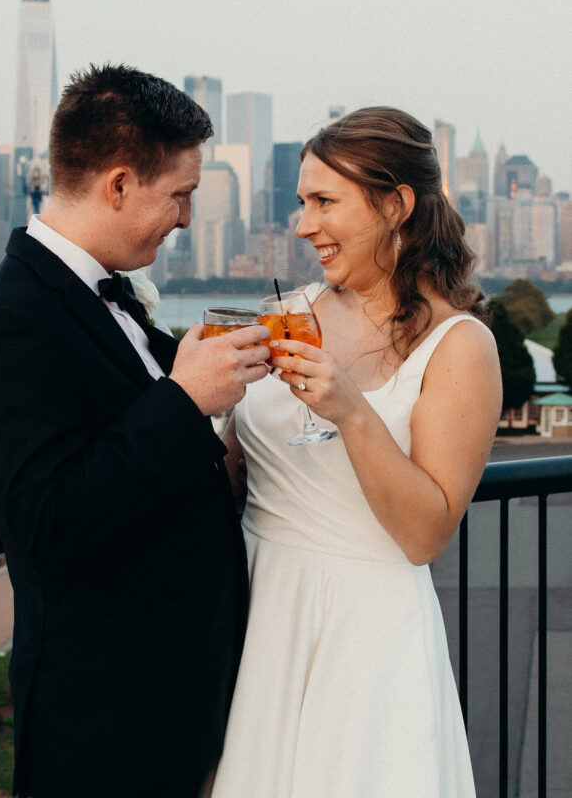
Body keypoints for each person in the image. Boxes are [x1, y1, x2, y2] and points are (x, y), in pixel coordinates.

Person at [0, 63, 270, 798]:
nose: (187, 218)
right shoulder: (9, 325)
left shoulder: (108, 299)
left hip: (175, 711)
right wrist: (185, 400)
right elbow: (47, 522)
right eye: (180, 195)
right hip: (106, 729)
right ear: (119, 184)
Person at [211, 108, 502, 798]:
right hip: (254, 616)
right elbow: (233, 469)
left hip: (364, 638)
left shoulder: (460, 347)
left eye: (323, 202)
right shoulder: (287, 314)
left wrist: (348, 409)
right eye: (300, 203)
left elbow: (424, 533)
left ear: (395, 205)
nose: (302, 224)